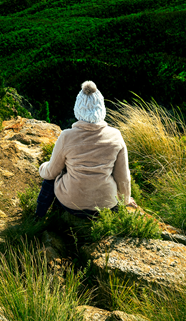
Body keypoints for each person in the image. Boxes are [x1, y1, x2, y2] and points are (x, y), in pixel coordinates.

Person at [35, 80, 135, 219]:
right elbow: (122, 177)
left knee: (52, 178)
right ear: (102, 108)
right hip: (105, 207)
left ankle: (39, 217)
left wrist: (42, 167)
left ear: (78, 108)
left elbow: (51, 172)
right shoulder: (116, 136)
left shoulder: (66, 136)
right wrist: (125, 200)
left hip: (71, 204)